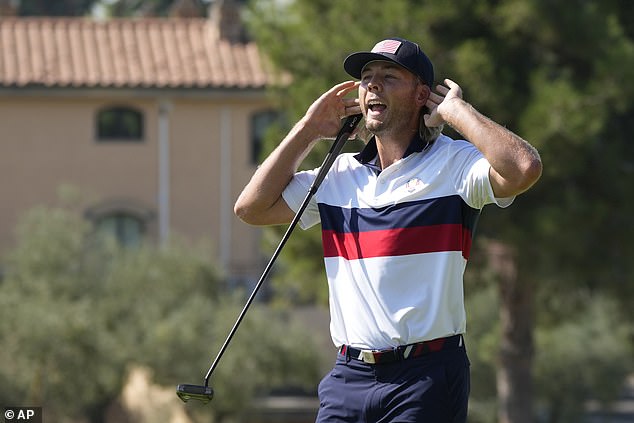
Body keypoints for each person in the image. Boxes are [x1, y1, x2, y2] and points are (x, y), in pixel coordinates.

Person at [234, 37, 542, 423]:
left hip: (426, 376)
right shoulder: (337, 175)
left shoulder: (454, 165)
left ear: (421, 95)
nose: (372, 85)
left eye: (389, 76)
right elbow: (250, 207)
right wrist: (310, 129)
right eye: (366, 77)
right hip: (348, 376)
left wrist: (457, 112)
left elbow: (524, 168)